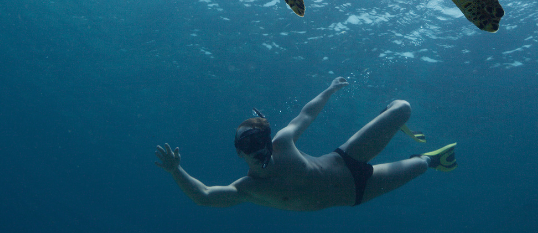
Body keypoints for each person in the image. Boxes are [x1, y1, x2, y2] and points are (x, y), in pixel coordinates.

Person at [154, 77, 457, 210]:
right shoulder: (248, 188)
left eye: (262, 141)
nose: (260, 149)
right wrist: (175, 171)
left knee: (403, 107)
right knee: (422, 165)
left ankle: (389, 117)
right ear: (239, 153)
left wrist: (329, 89)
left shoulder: (282, 142)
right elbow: (205, 195)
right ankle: (431, 158)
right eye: (250, 146)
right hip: (357, 193)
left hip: (345, 160)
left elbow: (306, 114)